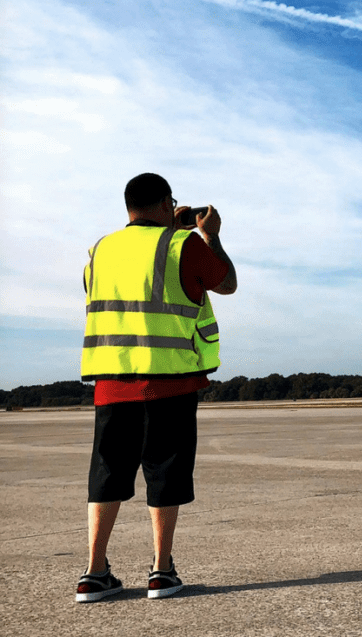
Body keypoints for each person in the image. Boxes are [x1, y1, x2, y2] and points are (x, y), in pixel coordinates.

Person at [76, 173, 237, 603]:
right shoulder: (182, 245)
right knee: (164, 474)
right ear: (166, 204)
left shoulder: (100, 249)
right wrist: (208, 236)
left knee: (106, 476)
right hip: (169, 382)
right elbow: (226, 283)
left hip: (110, 382)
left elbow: (94, 290)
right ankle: (161, 572)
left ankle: (94, 573)